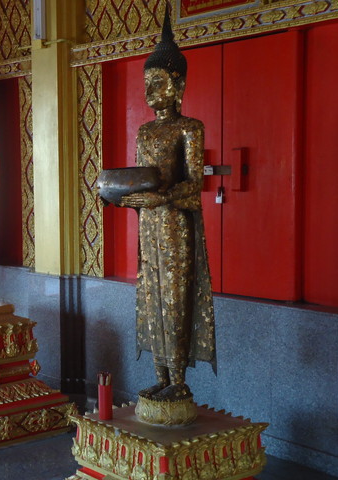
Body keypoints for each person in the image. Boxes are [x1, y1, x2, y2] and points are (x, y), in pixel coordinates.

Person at [118, 7, 216, 403]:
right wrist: (126, 198)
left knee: (174, 296)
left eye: (157, 82)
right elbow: (141, 178)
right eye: (147, 83)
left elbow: (194, 183)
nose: (150, 91)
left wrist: (162, 198)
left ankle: (178, 379)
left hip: (175, 225)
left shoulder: (189, 128)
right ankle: (159, 374)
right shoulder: (145, 131)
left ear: (178, 84)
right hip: (149, 225)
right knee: (150, 294)